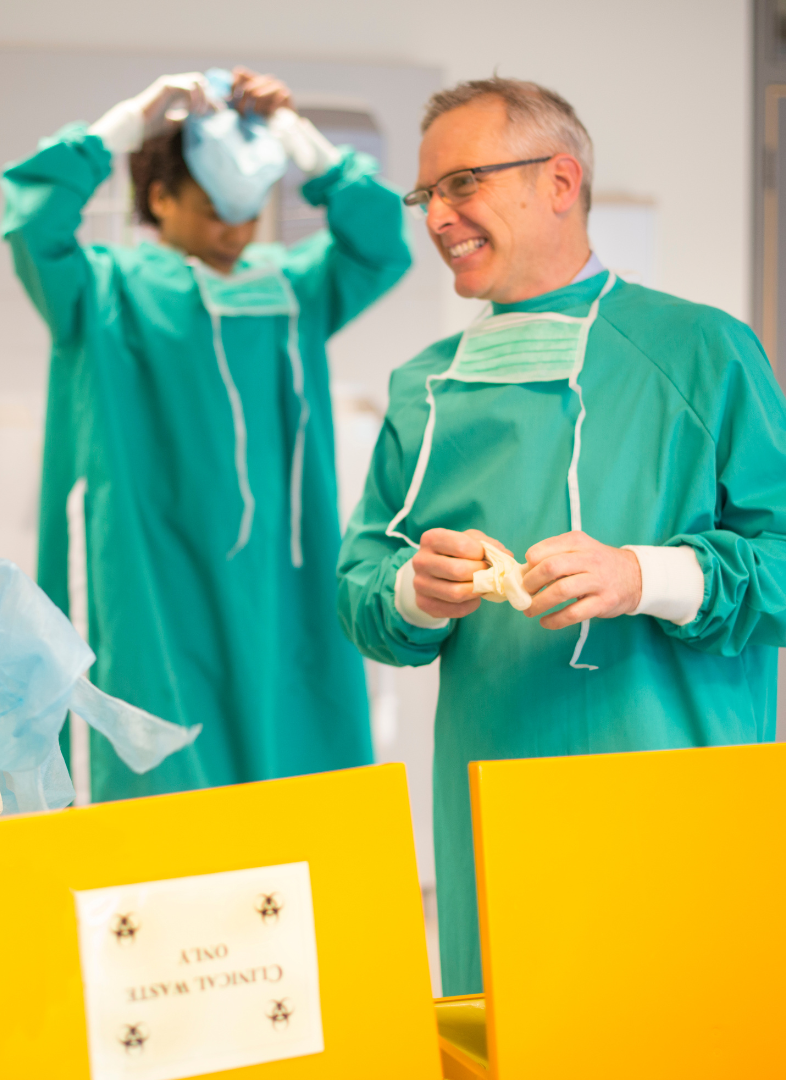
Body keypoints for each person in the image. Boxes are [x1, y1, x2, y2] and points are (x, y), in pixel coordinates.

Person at [337, 77, 786, 995]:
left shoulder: (702, 351)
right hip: (494, 811)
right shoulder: (427, 387)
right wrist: (413, 593)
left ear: (559, 180)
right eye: (426, 196)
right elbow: (363, 583)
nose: (437, 218)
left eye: (462, 184)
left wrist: (643, 574)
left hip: (675, 802)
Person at [1, 68, 412, 800]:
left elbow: (379, 246)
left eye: (251, 209)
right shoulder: (104, 291)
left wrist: (300, 140)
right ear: (159, 198)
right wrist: (126, 124)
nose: (238, 229)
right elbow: (35, 224)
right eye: (217, 207)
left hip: (285, 580)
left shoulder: (291, 289)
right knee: (154, 775)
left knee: (296, 770)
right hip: (149, 576)